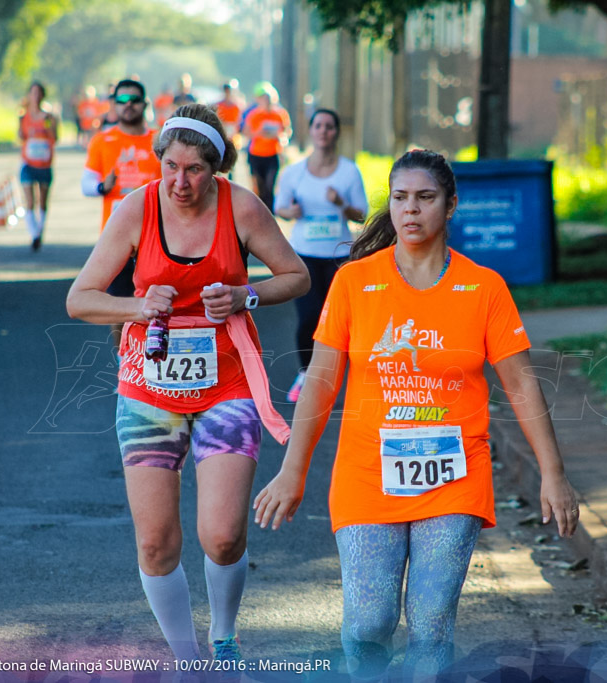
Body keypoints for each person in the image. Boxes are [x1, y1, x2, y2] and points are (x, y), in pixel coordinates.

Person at [253, 150, 579, 679]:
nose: (411, 210)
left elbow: (520, 384)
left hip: (454, 477)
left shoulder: (484, 288)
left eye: (425, 198)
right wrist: (293, 470)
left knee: (430, 622)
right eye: (400, 198)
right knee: (368, 623)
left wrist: (554, 474)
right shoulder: (355, 283)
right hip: (365, 476)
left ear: (451, 205)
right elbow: (320, 382)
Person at [66, 104, 310, 665]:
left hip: (228, 384)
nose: (180, 182)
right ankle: (185, 657)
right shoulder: (137, 208)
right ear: (159, 163)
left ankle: (224, 636)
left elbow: (297, 275)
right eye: (170, 167)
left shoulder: (241, 207)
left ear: (217, 166)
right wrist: (135, 304)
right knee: (155, 543)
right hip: (148, 389)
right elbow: (80, 299)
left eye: (195, 169)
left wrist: (246, 295)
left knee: (222, 535)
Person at [274, 108, 367, 402]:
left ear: (336, 132)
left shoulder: (349, 171)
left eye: (329, 126)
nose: (324, 131)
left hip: (339, 256)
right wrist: (292, 211)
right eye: (318, 126)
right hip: (305, 254)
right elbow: (279, 207)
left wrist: (341, 203)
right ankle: (306, 374)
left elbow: (362, 214)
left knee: (340, 322)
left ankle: (339, 378)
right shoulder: (295, 172)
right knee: (309, 317)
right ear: (311, 131)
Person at [81, 79, 162, 303]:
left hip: (157, 235)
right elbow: (86, 183)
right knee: (118, 301)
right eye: (122, 100)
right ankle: (120, 341)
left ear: (145, 104)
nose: (128, 105)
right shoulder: (102, 140)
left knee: (158, 302)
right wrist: (102, 187)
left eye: (134, 100)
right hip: (116, 235)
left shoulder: (161, 140)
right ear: (114, 105)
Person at [18, 81, 60, 251]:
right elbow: (21, 136)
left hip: (44, 164)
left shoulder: (49, 117)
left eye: (38, 93)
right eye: (32, 93)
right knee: (29, 201)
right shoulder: (23, 117)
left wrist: (47, 124)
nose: (35, 96)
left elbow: (55, 137)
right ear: (29, 95)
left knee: (42, 202)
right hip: (28, 163)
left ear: (43, 96)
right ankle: (34, 234)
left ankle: (39, 232)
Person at [242, 81, 291, 210]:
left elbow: (286, 132)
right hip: (256, 154)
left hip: (273, 154)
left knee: (270, 186)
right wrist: (259, 132)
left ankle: (270, 213)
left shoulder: (280, 114)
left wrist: (281, 138)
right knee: (259, 186)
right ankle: (259, 211)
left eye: (269, 98)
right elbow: (246, 133)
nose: (267, 101)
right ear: (259, 100)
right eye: (264, 98)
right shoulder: (254, 115)